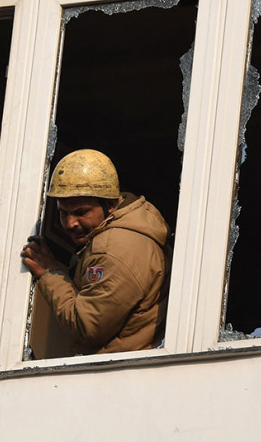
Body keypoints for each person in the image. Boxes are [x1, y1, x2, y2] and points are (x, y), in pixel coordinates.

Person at [20, 149, 169, 355]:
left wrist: (49, 274)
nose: (70, 223)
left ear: (108, 205)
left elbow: (87, 326)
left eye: (81, 212)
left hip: (117, 376)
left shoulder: (113, 251)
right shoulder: (127, 229)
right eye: (63, 213)